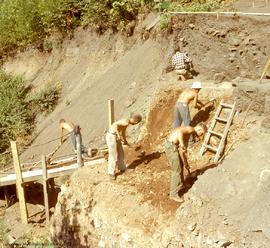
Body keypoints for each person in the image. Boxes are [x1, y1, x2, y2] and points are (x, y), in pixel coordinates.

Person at [164, 123, 207, 202]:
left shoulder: (188, 133)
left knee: (180, 165)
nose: (200, 135)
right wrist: (182, 144)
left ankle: (182, 184)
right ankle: (173, 194)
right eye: (202, 133)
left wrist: (186, 163)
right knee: (176, 171)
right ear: (199, 129)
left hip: (172, 147)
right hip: (171, 147)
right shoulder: (191, 129)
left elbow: (183, 152)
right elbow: (179, 132)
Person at [106, 114, 142, 180]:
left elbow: (123, 133)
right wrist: (118, 135)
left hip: (116, 137)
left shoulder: (126, 123)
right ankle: (111, 173)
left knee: (121, 152)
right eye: (137, 123)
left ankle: (122, 168)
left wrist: (125, 141)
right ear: (136, 122)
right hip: (111, 136)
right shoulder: (126, 122)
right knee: (113, 155)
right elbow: (115, 124)